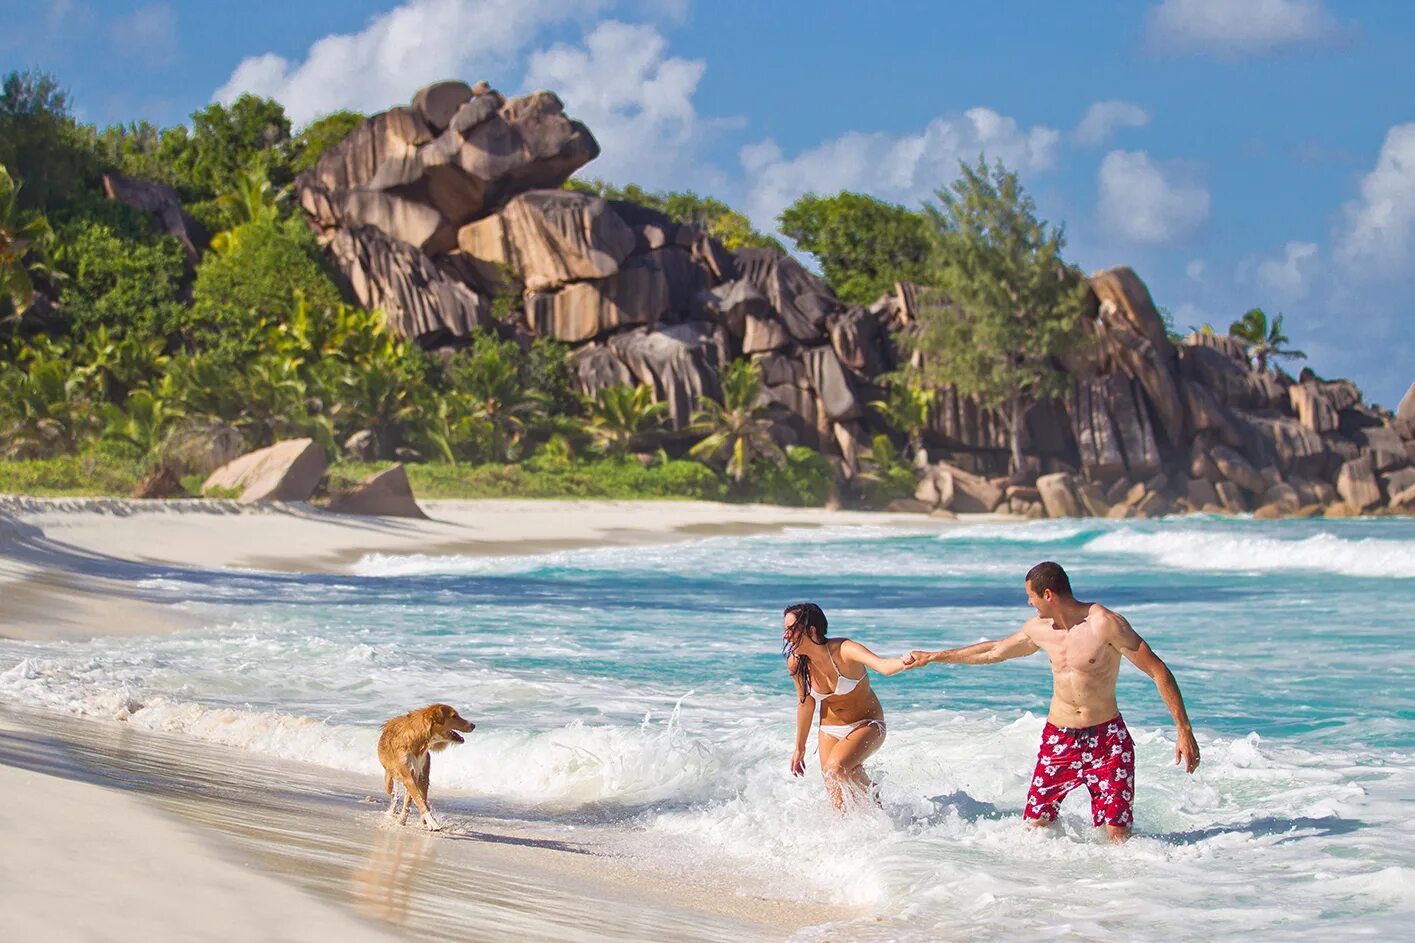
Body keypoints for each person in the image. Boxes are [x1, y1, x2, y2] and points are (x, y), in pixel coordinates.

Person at [902, 561, 1200, 842]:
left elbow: (1158, 671)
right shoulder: (1039, 629)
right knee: (1035, 828)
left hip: (1108, 741)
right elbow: (994, 651)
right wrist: (933, 656)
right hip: (1060, 738)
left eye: (1031, 596)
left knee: (1118, 835)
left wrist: (1183, 729)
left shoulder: (1106, 624)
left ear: (1048, 594)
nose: (1029, 603)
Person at [782, 602, 907, 810]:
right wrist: (799, 748)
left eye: (791, 629)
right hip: (829, 730)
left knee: (835, 769)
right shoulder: (796, 663)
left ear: (811, 630)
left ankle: (880, 810)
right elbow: (806, 704)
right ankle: (865, 828)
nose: (785, 636)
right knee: (838, 804)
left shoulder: (845, 650)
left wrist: (906, 661)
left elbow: (883, 666)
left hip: (867, 724)